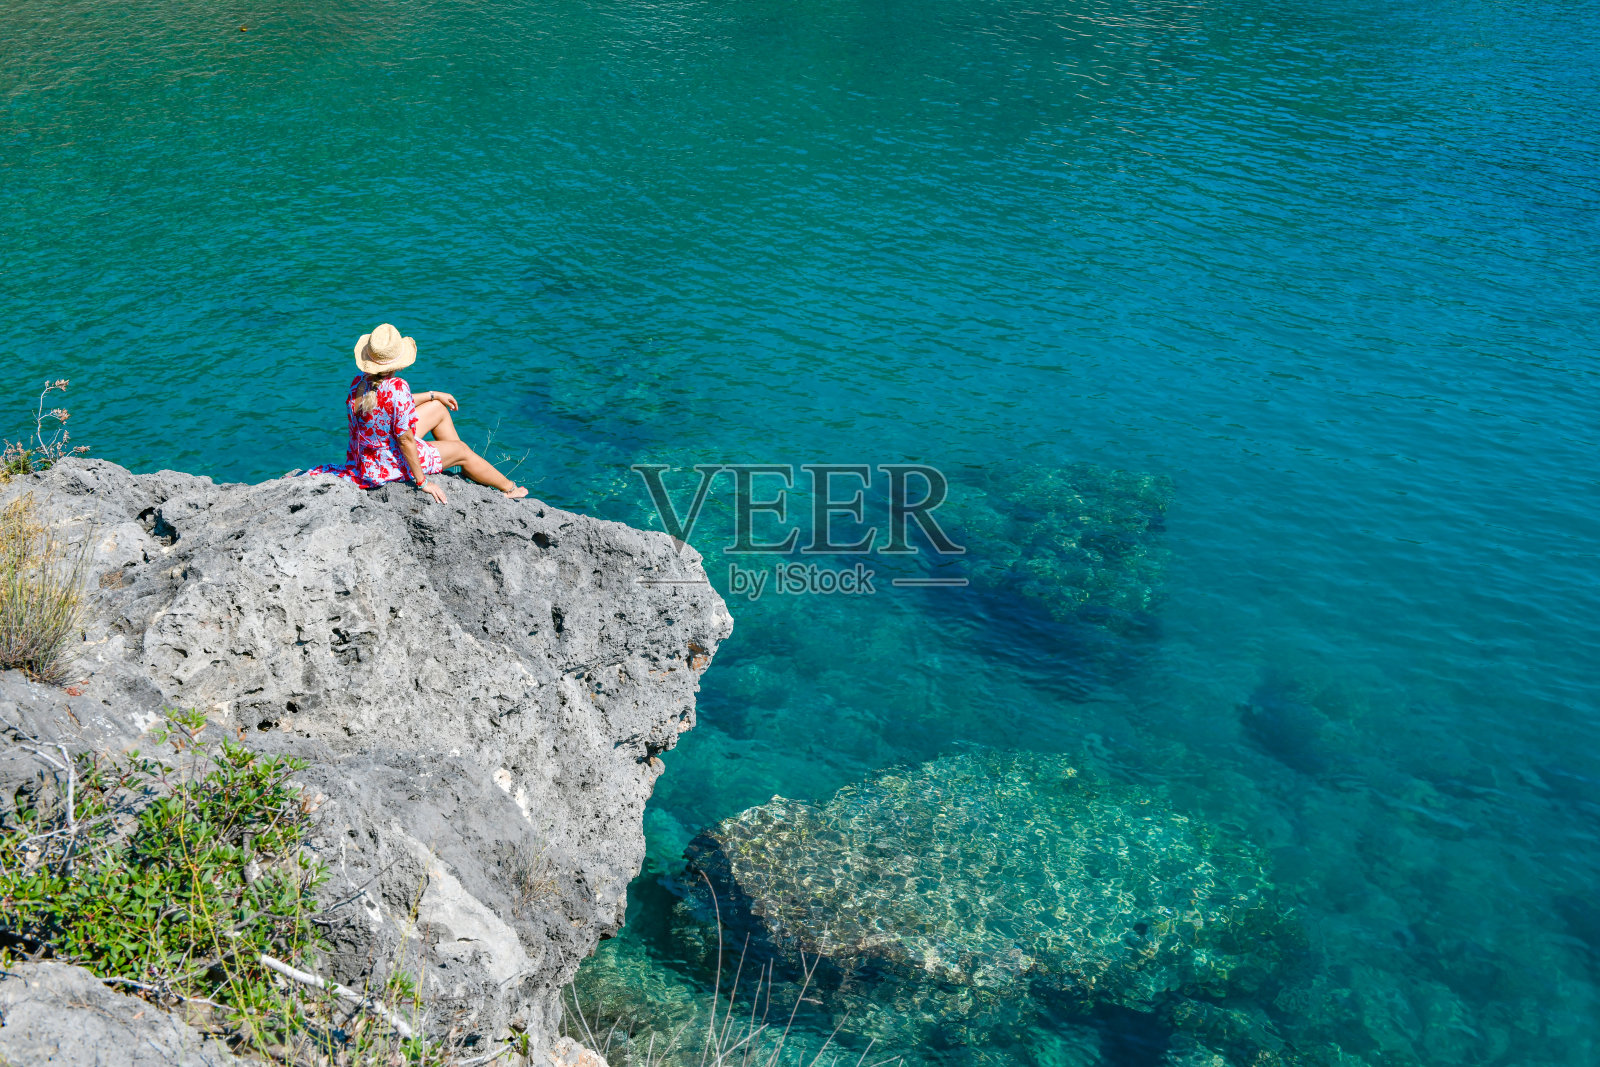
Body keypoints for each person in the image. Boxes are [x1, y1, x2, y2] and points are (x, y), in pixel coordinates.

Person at [305, 323, 528, 503]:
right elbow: (405, 440)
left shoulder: (358, 382)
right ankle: (510, 488)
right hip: (388, 464)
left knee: (438, 408)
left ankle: (467, 467)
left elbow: (387, 405)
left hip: (366, 458)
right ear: (397, 361)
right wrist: (423, 483)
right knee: (462, 449)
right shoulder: (398, 387)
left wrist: (433, 395)